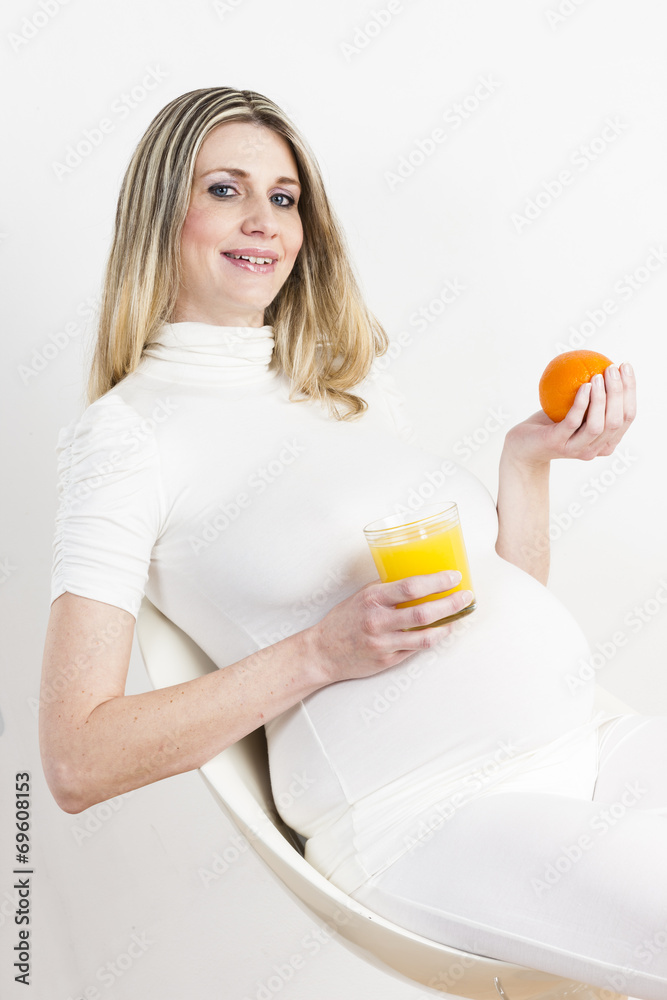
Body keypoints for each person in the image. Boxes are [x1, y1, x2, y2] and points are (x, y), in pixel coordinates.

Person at [40, 87, 666, 999]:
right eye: (225, 189)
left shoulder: (343, 392)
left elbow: (495, 598)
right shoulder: (126, 438)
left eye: (285, 198)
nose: (263, 220)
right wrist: (318, 653)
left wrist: (525, 460)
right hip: (432, 813)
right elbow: (76, 759)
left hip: (588, 745)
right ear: (160, 211)